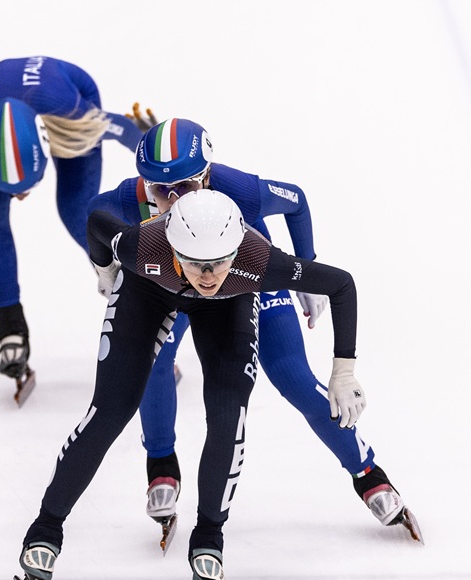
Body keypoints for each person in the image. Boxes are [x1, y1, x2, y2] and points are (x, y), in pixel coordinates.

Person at [13, 189, 367, 580]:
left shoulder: (258, 260)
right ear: (175, 246)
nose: (207, 275)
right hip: (150, 291)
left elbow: (341, 283)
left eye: (218, 262)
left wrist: (343, 370)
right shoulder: (144, 246)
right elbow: (96, 222)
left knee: (227, 417)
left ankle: (209, 537)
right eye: (197, 263)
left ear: (235, 248)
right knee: (109, 412)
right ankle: (45, 529)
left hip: (230, 307)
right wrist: (105, 267)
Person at [89, 117, 421, 542]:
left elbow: (296, 200)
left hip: (246, 275)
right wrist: (105, 265)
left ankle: (368, 473)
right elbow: (95, 218)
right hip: (179, 281)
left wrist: (308, 267)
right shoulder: (130, 195)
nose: (171, 202)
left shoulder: (238, 187)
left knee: (293, 378)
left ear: (207, 177)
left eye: (185, 189)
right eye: (158, 190)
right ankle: (161, 465)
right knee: (155, 361)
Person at [0, 55, 145, 393]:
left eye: (29, 186)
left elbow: (119, 128)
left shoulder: (72, 111)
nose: (22, 197)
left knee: (77, 212)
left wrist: (154, 150)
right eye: (12, 189)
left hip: (63, 90)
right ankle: (11, 328)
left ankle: (144, 296)